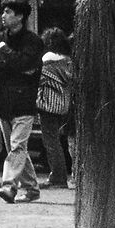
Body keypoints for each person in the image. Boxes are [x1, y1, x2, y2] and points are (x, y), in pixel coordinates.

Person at [0, 0, 45, 202]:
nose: (3, 16)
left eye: (8, 12)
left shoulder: (33, 41)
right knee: (17, 148)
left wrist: (5, 52)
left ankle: (9, 186)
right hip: (2, 101)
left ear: (20, 16)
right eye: (3, 11)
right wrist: (17, 66)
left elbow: (27, 64)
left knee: (17, 147)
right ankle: (32, 189)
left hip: (24, 102)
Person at [35, 27, 75, 187]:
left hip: (48, 106)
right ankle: (60, 175)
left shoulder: (48, 61)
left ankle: (58, 177)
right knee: (58, 141)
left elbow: (38, 80)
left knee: (51, 142)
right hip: (63, 106)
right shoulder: (67, 62)